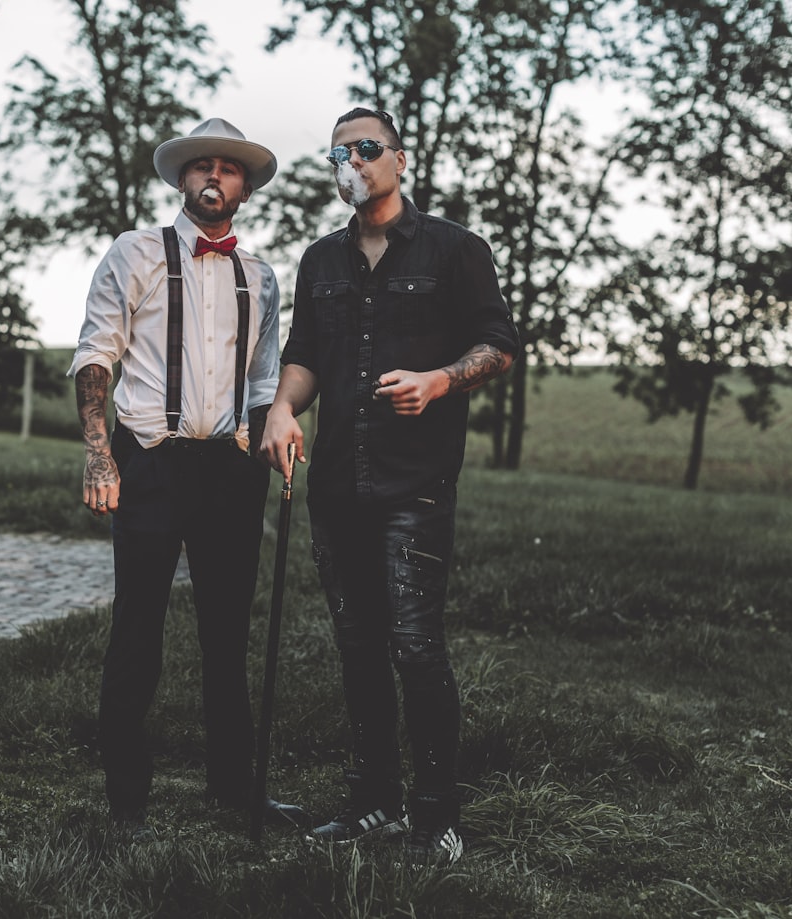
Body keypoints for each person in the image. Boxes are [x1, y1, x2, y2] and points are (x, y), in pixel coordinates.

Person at [260, 108, 520, 867]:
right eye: (339, 152)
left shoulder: (454, 249)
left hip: (417, 482)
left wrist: (441, 380)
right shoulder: (320, 261)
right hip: (338, 482)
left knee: (414, 644)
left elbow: (499, 344)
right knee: (358, 646)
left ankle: (436, 815)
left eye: (367, 149)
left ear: (399, 161)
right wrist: (281, 407)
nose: (352, 161)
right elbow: (304, 353)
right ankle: (373, 801)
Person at [68, 118, 306, 838]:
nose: (214, 177)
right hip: (151, 457)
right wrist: (99, 451)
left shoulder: (260, 276)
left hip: (232, 470)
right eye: (201, 166)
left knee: (227, 632)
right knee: (138, 624)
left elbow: (265, 377)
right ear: (182, 180)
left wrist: (277, 428)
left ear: (243, 187)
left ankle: (235, 789)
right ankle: (127, 798)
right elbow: (95, 352)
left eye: (228, 169)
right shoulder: (134, 252)